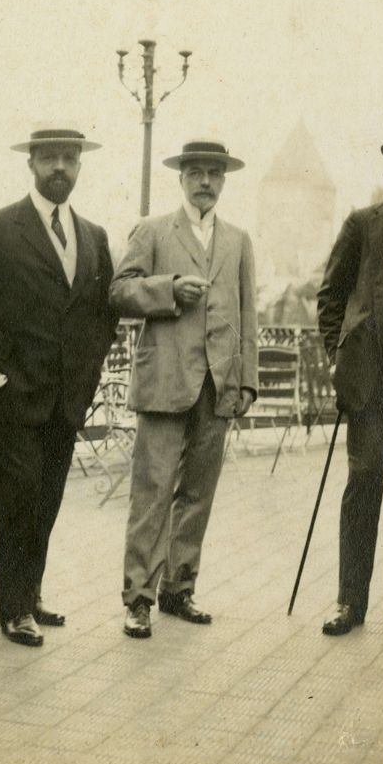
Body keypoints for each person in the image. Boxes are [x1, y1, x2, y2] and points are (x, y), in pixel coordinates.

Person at [0, 125, 116, 647]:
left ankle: (30, 595)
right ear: (31, 163)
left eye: (70, 159)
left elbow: (103, 316)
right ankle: (13, 610)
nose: (60, 167)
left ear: (80, 166)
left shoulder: (94, 236)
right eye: (50, 158)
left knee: (48, 499)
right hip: (12, 391)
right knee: (17, 501)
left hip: (66, 399)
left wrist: (89, 371)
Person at [109, 138, 258, 638]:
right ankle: (138, 599)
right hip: (165, 380)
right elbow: (119, 290)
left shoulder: (238, 241)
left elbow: (248, 316)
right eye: (195, 172)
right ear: (180, 178)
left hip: (218, 384)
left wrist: (247, 381)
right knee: (152, 492)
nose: (205, 182)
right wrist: (168, 288)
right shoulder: (153, 231)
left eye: (214, 173)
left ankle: (178, 589)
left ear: (224, 181)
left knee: (198, 492)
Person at [318, 116, 383, 636]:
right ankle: (348, 602)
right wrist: (334, 356)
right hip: (374, 381)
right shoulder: (364, 223)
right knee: (364, 482)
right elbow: (331, 295)